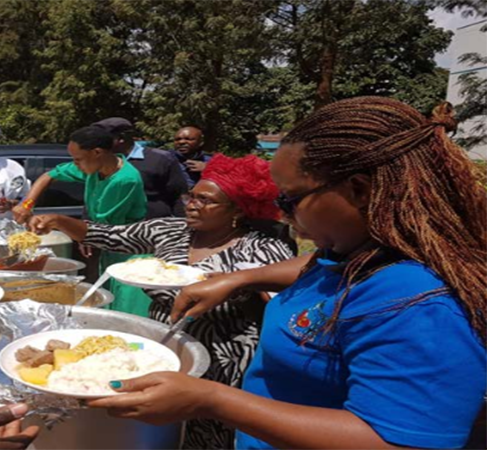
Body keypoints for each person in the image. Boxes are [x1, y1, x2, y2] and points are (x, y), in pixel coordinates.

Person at [89, 97, 487, 450]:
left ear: (360, 190)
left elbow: (395, 441)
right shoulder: (352, 251)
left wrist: (212, 400)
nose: (281, 214)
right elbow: (317, 266)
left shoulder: (421, 304)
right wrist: (241, 278)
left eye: (291, 198)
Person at [29, 154, 294, 450]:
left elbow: (283, 301)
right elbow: (107, 236)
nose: (191, 204)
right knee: (160, 426)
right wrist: (60, 221)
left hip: (223, 354)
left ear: (238, 210)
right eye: (191, 196)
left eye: (205, 200)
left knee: (210, 429)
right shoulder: (172, 230)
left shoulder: (262, 248)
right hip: (165, 348)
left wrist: (236, 284)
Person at [14, 126, 149, 315]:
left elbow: (105, 228)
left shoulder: (124, 180)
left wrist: (75, 231)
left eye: (78, 159)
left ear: (97, 152)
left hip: (127, 248)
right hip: (104, 242)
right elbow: (49, 175)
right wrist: (26, 204)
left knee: (123, 303)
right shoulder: (94, 167)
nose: (75, 164)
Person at [93, 118, 188, 218]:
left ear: (121, 138)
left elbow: (179, 196)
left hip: (153, 228)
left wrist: (184, 225)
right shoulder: (97, 162)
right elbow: (92, 197)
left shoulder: (161, 159)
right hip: (110, 229)